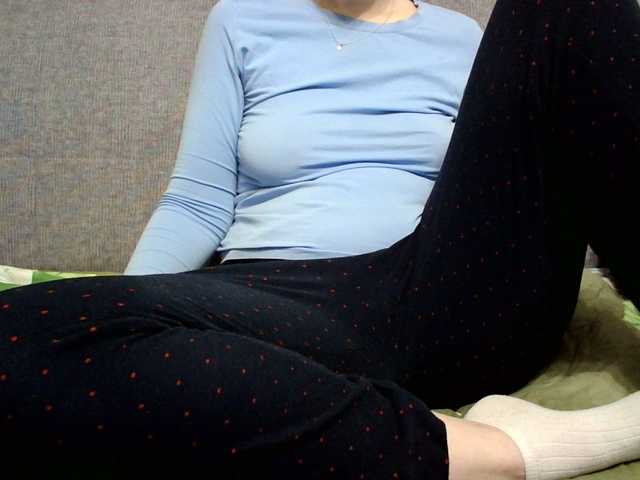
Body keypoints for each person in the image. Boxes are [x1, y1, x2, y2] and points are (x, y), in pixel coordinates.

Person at [1, 0, 639, 478]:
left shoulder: (460, 36)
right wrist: (125, 312)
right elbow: (196, 200)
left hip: (437, 284)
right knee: (15, 332)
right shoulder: (242, 20)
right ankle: (504, 451)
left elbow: (510, 181)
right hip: (279, 298)